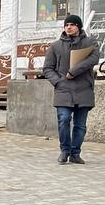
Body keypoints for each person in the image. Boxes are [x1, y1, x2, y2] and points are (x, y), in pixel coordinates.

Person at [42, 14, 99, 164]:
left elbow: (93, 59)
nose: (69, 27)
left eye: (72, 24)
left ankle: (75, 153)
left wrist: (74, 71)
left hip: (84, 88)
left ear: (78, 27)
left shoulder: (90, 42)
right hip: (63, 89)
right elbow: (47, 68)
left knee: (80, 125)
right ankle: (64, 150)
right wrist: (58, 82)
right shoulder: (55, 46)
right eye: (67, 24)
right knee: (64, 119)